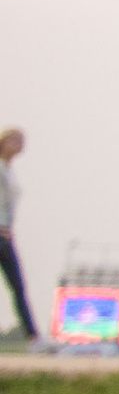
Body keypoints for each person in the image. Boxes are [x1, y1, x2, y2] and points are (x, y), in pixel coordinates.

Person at [0, 128, 39, 345]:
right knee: (17, 286)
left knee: (18, 286)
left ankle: (33, 338)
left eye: (22, 141)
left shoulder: (9, 170)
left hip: (6, 234)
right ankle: (32, 336)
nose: (18, 144)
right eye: (14, 140)